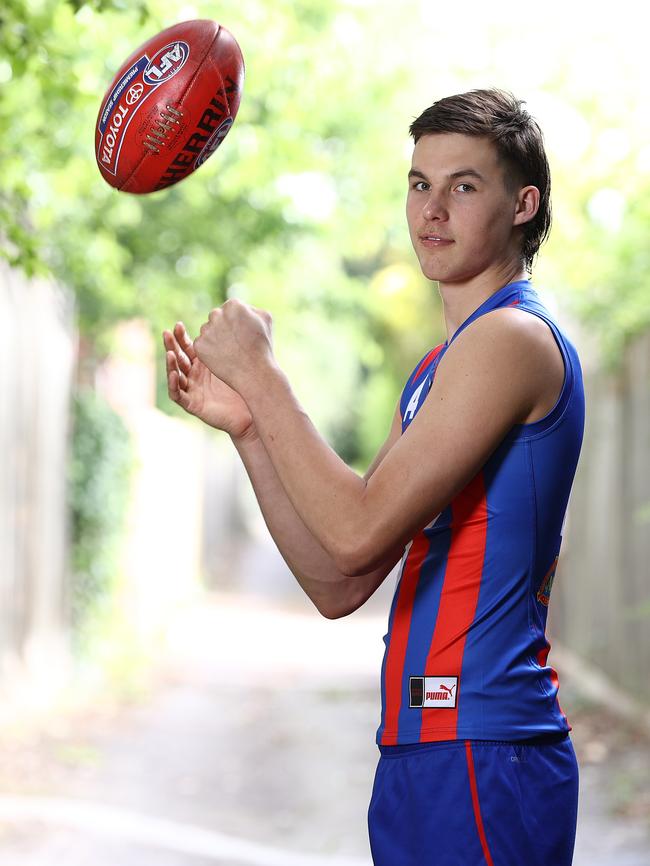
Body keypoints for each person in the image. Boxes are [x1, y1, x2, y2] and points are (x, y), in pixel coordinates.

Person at [163, 88, 584, 866]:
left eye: (464, 186)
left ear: (523, 205)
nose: (432, 209)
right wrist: (251, 427)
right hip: (423, 748)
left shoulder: (514, 340)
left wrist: (264, 375)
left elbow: (354, 527)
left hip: (485, 746)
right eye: (419, 183)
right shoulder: (440, 371)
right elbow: (338, 579)